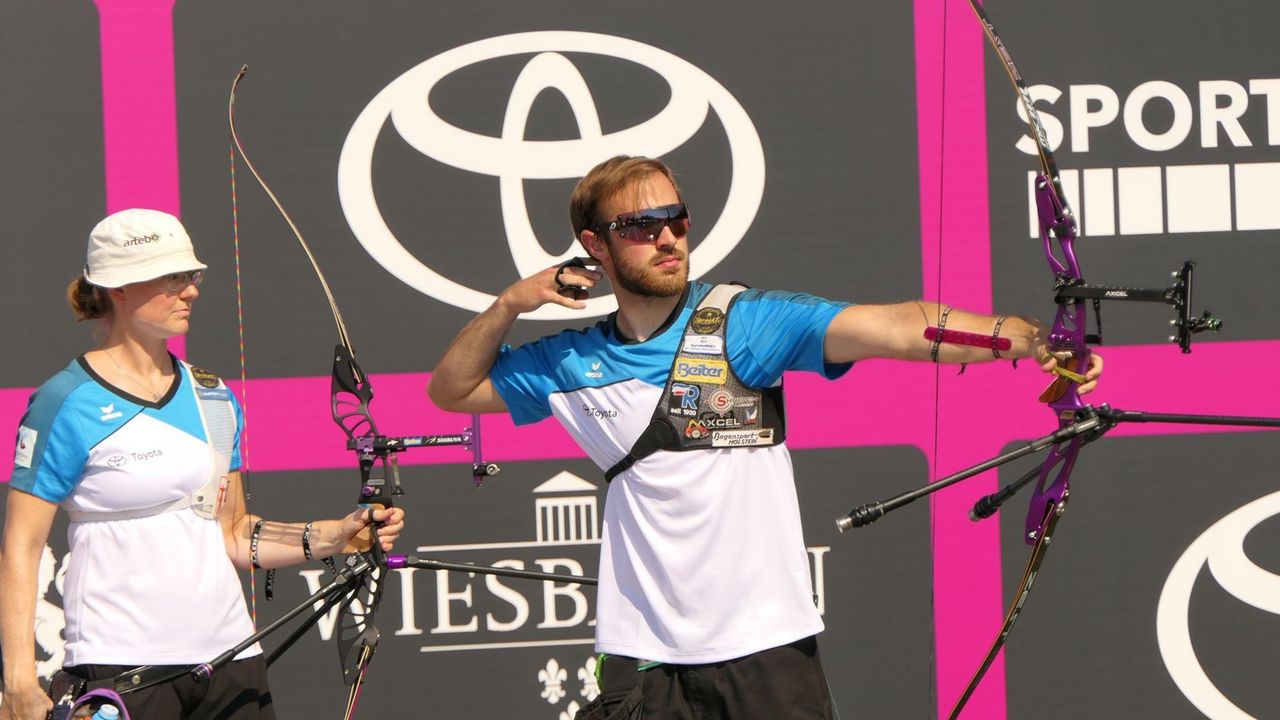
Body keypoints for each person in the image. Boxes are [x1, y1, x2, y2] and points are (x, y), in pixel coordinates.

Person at [426, 156, 1102, 719]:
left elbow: (901, 326)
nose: (668, 240)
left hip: (767, 652)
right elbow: (451, 389)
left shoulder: (745, 324)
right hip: (644, 659)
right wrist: (512, 303)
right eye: (641, 226)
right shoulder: (571, 364)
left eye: (677, 221)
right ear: (594, 247)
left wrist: (1030, 342)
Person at [0, 209, 406, 720]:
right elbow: (21, 545)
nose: (189, 290)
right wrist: (17, 678)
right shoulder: (65, 400)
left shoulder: (213, 396)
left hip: (231, 660)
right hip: (122, 669)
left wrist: (335, 535)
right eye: (170, 278)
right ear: (118, 289)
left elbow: (233, 534)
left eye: (190, 276)